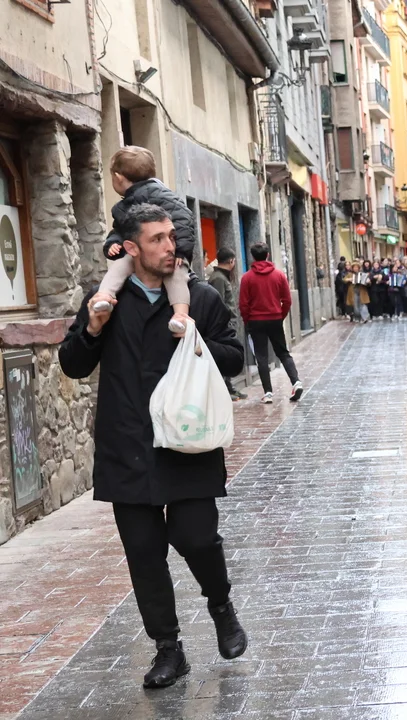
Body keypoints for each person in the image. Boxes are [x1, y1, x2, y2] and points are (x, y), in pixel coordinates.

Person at [58, 204, 248, 690]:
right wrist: (93, 328)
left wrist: (193, 336)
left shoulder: (199, 297)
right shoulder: (106, 299)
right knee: (144, 554)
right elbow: (73, 364)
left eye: (171, 237)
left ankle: (221, 606)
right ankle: (168, 649)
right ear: (131, 247)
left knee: (196, 537)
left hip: (186, 444)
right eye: (157, 239)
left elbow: (234, 357)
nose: (170, 246)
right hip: (128, 445)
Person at [91, 147, 195, 335]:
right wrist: (113, 243)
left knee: (177, 276)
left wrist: (181, 251)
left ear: (118, 178)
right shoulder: (123, 206)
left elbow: (183, 219)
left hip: (174, 257)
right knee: (120, 266)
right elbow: (120, 230)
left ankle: (180, 316)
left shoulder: (161, 195)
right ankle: (104, 297)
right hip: (138, 255)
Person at [238, 242, 303, 404]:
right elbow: (287, 300)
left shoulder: (247, 278)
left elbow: (243, 304)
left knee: (261, 356)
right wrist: (280, 316)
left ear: (253, 257)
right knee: (283, 353)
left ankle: (268, 393)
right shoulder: (279, 275)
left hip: (255, 320)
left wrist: (247, 321)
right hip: (275, 319)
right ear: (267, 255)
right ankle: (296, 381)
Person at [206, 248, 246, 401]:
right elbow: (219, 303)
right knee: (225, 355)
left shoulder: (222, 277)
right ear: (231, 261)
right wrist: (225, 322)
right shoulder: (218, 279)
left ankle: (230, 387)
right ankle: (226, 389)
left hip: (228, 323)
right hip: (224, 325)